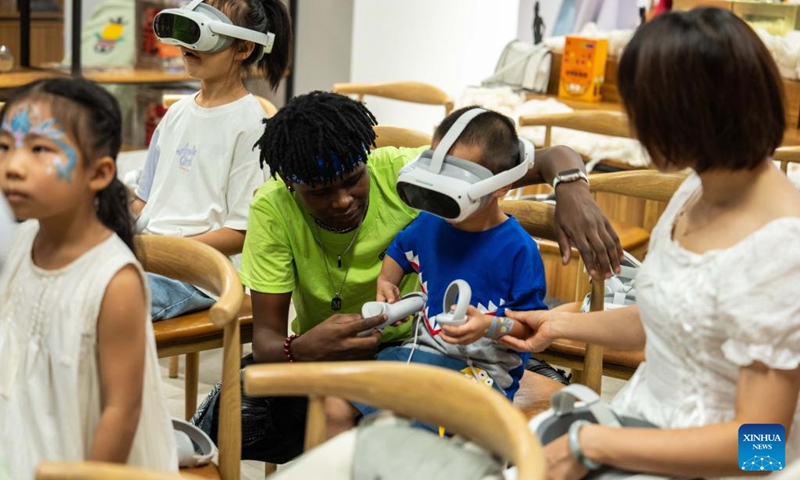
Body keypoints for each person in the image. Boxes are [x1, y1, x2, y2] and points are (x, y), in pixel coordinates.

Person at [193, 90, 623, 463]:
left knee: (432, 423)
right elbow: (267, 340)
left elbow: (534, 160)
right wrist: (306, 345)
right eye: (319, 193)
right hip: (341, 357)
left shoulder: (409, 178)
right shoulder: (273, 210)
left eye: (351, 181)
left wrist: (571, 186)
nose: (342, 201)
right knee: (251, 410)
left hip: (438, 348)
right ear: (290, 185)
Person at [501, 8, 800, 480]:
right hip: (639, 427)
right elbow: (674, 318)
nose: (635, 129)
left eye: (644, 112)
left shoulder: (781, 251)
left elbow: (760, 449)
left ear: (695, 115)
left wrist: (594, 442)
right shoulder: (697, 189)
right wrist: (559, 325)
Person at [323, 106, 552, 435]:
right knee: (336, 400)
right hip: (420, 352)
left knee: (419, 422)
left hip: (483, 372)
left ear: (502, 185)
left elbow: (529, 331)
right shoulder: (430, 222)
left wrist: (488, 325)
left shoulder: (519, 250)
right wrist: (387, 281)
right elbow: (401, 249)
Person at [0, 78, 177, 478]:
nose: (13, 166)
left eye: (40, 149)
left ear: (98, 174)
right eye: (5, 147)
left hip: (84, 461)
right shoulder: (23, 238)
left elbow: (121, 409)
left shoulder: (114, 281)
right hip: (25, 443)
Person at [130, 0, 292, 320]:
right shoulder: (176, 113)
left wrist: (170, 253)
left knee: (106, 303)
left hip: (201, 275)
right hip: (151, 258)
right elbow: (143, 200)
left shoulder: (251, 125)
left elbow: (242, 233)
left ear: (244, 48)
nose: (187, 46)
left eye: (202, 34)